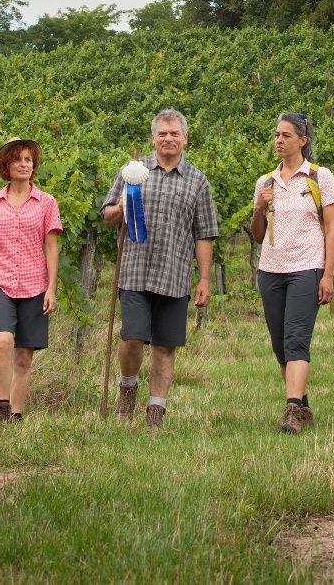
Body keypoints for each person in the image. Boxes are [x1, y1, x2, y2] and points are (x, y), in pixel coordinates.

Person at [101, 109, 219, 428]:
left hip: (174, 275)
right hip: (134, 271)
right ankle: (127, 389)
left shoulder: (197, 181)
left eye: (174, 133)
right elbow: (107, 215)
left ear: (185, 139)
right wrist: (120, 207)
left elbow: (204, 233)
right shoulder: (132, 172)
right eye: (162, 133)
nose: (168, 139)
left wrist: (204, 279)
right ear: (153, 138)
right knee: (132, 337)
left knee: (165, 346)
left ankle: (155, 413)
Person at [0, 137, 62, 422]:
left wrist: (51, 289)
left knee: (24, 356)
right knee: (3, 340)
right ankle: (1, 407)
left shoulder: (47, 203)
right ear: (6, 165)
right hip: (0, 281)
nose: (24, 164)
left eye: (28, 159)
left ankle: (15, 416)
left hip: (35, 285)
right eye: (17, 159)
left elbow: (51, 248)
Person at [250, 112, 334, 434]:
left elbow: (332, 229)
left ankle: (291, 411)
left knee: (296, 339)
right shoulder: (265, 182)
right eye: (277, 135)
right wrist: (259, 208)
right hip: (270, 270)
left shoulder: (319, 177)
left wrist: (328, 275)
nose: (279, 140)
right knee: (280, 346)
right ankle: (302, 404)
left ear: (303, 141)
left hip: (306, 268)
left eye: (286, 135)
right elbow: (257, 235)